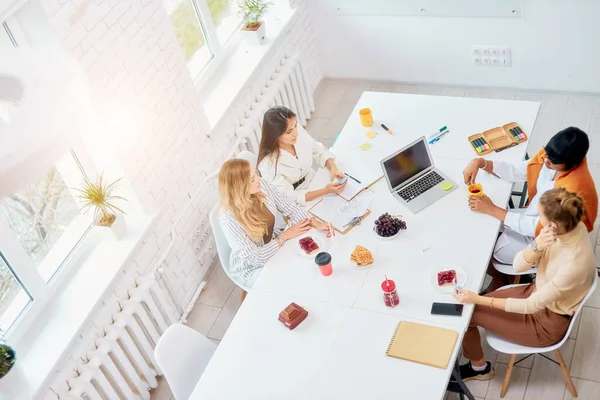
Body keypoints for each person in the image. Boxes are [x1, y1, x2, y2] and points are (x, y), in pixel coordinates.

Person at [453, 188, 596, 381]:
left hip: (546, 321)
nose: (538, 221)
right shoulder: (572, 225)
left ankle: (480, 369)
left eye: (540, 216)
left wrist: (476, 298)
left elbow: (530, 306)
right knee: (475, 305)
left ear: (553, 225)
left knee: (469, 312)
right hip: (538, 291)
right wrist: (536, 245)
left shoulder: (573, 265)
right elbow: (518, 265)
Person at [463, 127, 597, 290]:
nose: (546, 160)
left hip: (550, 238)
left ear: (573, 164)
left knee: (491, 249)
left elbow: (541, 227)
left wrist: (493, 210)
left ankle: (502, 279)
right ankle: (503, 278)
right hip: (534, 217)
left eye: (552, 161)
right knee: (486, 228)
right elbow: (518, 171)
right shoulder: (551, 157)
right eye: (547, 154)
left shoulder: (571, 192)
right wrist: (481, 163)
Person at [218, 159, 330, 288]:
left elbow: (291, 207)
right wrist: (284, 236)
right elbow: (256, 258)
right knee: (290, 281)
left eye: (256, 174)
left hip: (273, 243)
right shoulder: (228, 219)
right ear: (240, 187)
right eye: (252, 179)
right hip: (251, 267)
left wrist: (315, 223)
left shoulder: (261, 186)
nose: (259, 179)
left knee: (306, 263)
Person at [257, 106, 346, 207]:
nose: (296, 133)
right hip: (297, 201)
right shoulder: (267, 164)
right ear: (275, 135)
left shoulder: (296, 130)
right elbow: (291, 197)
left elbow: (317, 149)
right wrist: (325, 191)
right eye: (289, 132)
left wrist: (333, 167)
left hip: (313, 180)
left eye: (295, 125)